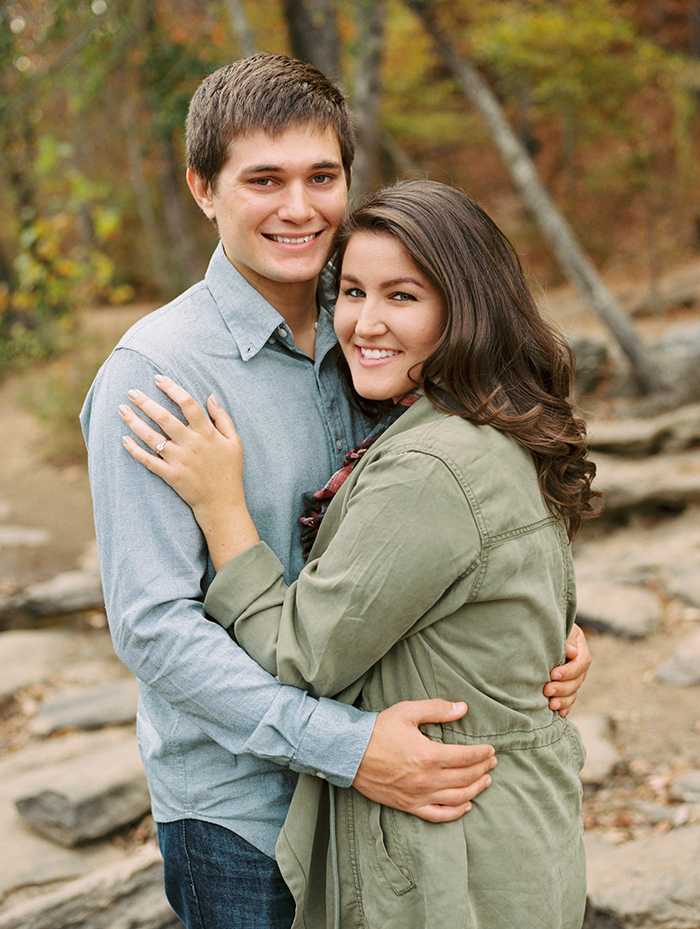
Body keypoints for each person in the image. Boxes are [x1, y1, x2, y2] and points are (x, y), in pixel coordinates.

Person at [83, 54, 590, 929]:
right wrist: (348, 749)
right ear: (204, 188)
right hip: (244, 812)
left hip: (388, 815)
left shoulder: (379, 323)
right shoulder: (156, 374)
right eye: (264, 179)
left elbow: (448, 529)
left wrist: (533, 626)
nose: (299, 207)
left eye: (322, 176)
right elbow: (154, 629)